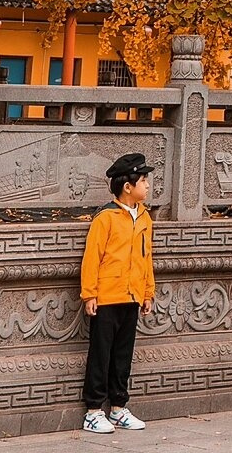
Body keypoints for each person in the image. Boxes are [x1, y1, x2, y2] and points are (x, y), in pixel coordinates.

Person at [80, 151, 156, 433]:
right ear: (128, 186)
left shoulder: (145, 218)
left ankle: (119, 407)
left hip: (132, 295)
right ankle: (93, 410)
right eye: (144, 180)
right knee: (101, 353)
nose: (147, 185)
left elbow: (146, 257)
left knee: (123, 355)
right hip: (107, 296)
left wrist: (148, 292)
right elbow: (92, 257)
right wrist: (90, 294)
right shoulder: (106, 218)